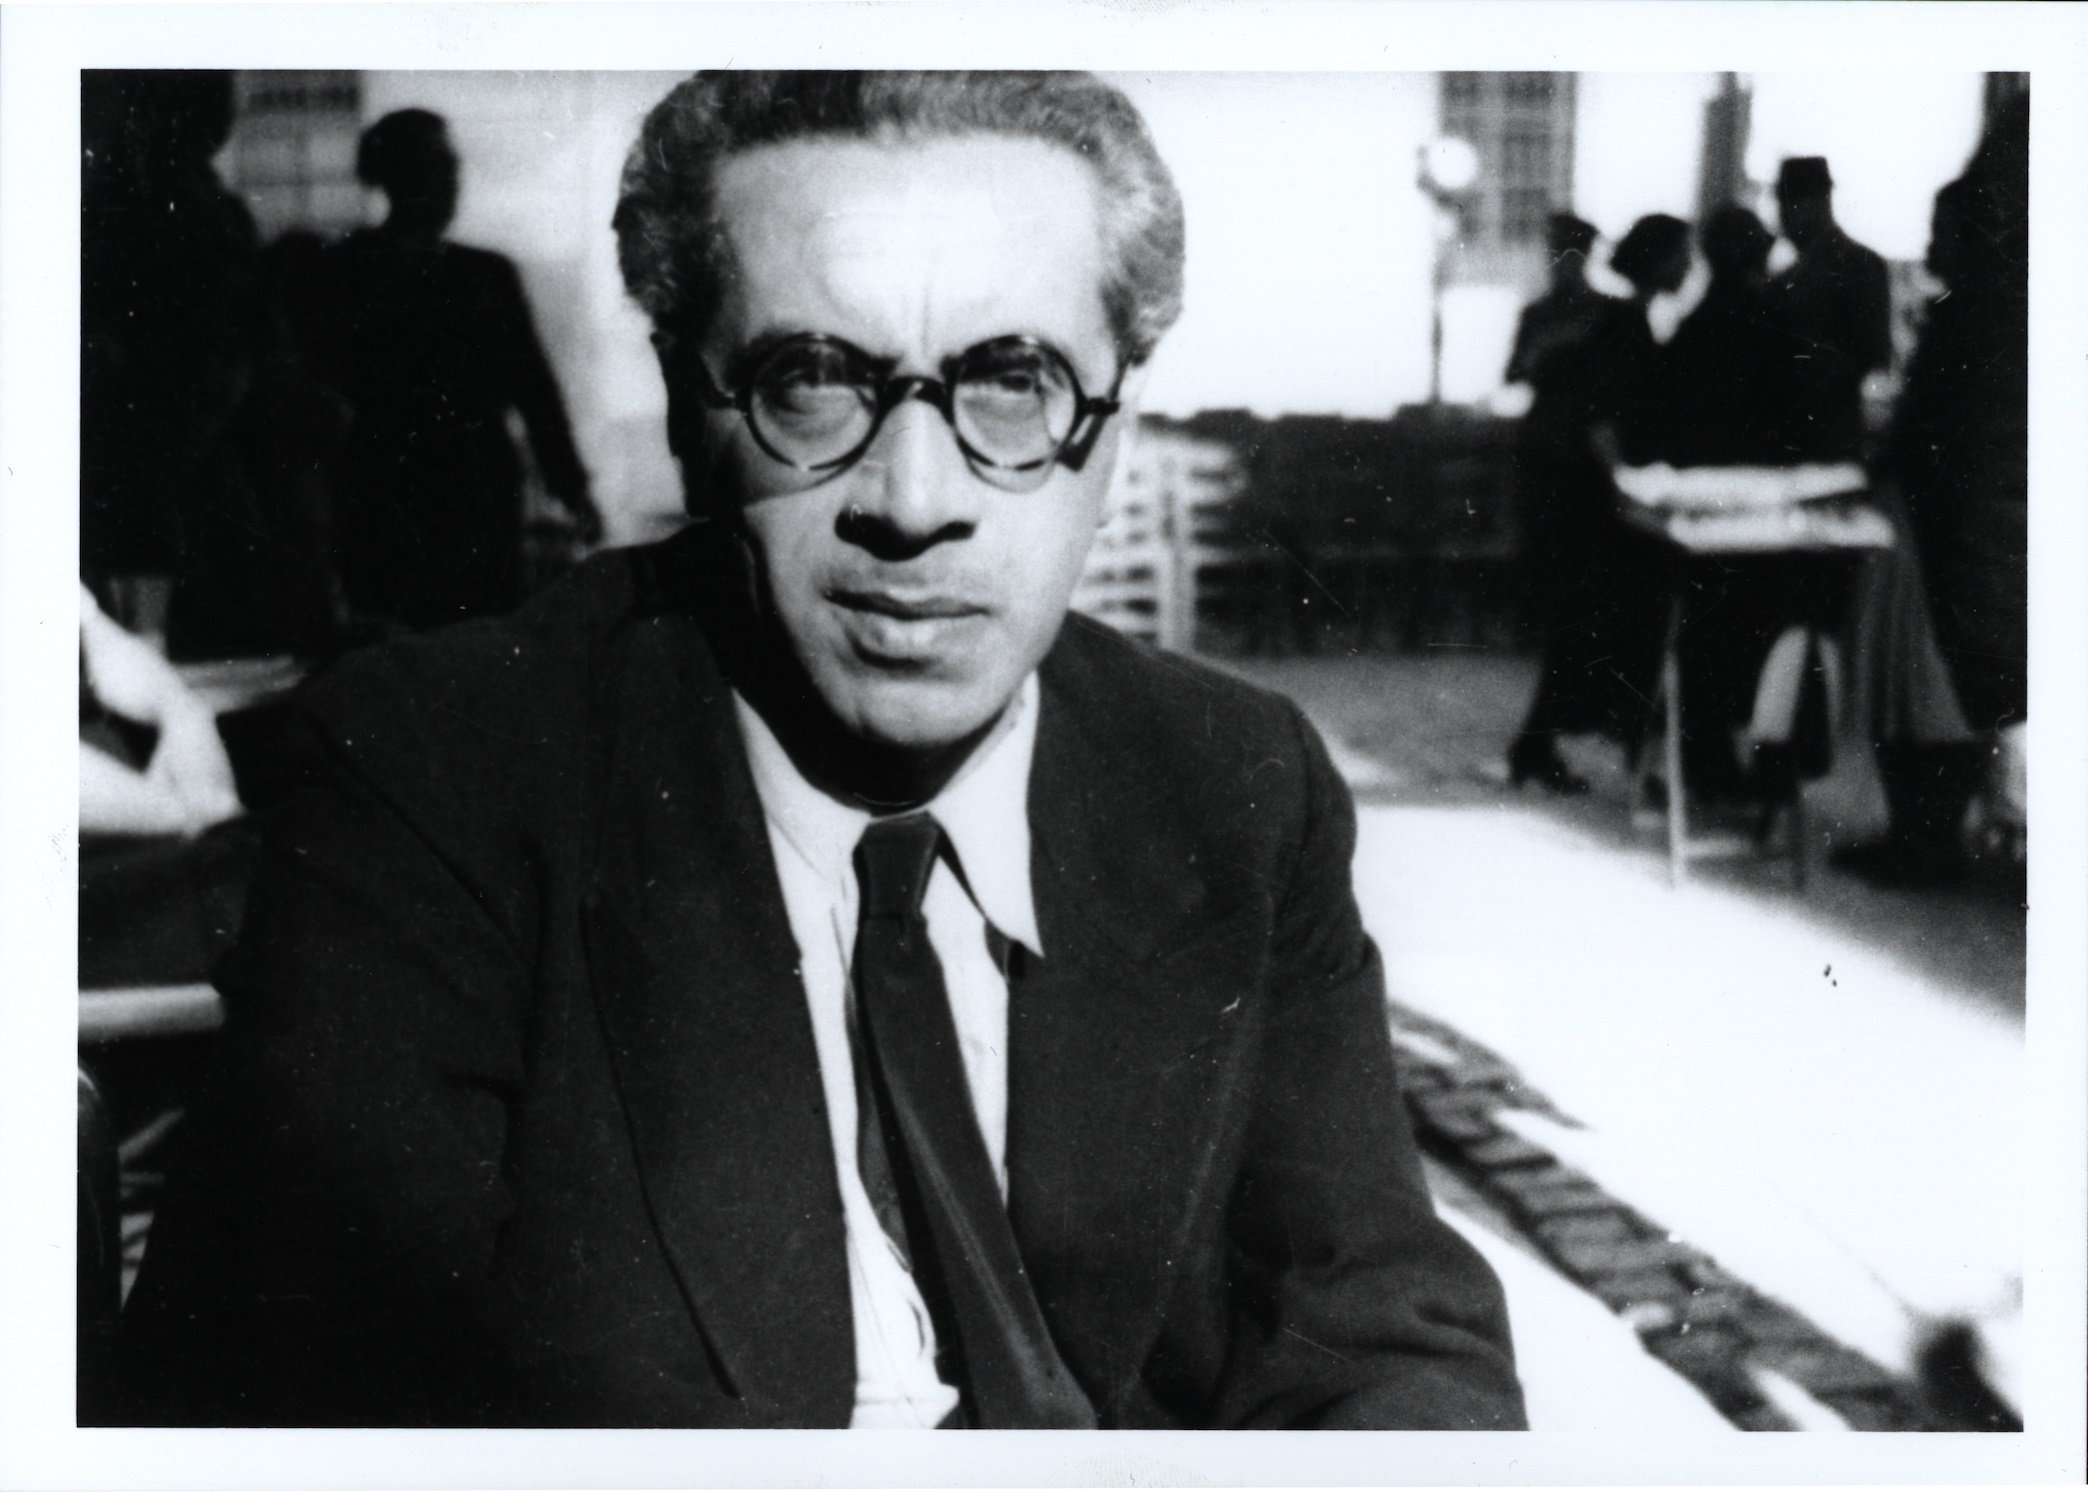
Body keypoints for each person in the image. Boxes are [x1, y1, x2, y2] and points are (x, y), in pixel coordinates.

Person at [117, 71, 1525, 1431]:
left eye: (1014, 382)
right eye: (810, 380)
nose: (912, 502)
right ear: (688, 409)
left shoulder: (1234, 779)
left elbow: (1379, 1330)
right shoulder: (435, 778)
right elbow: (277, 1412)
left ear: (1118, 427)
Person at [1835, 99, 2028, 886]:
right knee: (1921, 700)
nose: (1931, 245)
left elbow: (1953, 440)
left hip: (1946, 541)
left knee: (1926, 700)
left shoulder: (1981, 314)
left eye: (1944, 229)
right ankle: (1927, 836)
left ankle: (1929, 842)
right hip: (1941, 536)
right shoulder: (1982, 309)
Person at [314, 109, 601, 629]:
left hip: (460, 502)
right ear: (394, 175)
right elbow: (533, 390)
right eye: (433, 165)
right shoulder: (350, 273)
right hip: (405, 500)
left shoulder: (355, 271)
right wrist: (570, 486)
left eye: (449, 166)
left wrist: (571, 485)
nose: (450, 180)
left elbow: (535, 389)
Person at [1505, 213, 1687, 795]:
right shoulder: (1624, 324)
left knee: (1587, 623)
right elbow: (1601, 416)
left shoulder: (1619, 317)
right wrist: (1622, 484)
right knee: (1591, 622)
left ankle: (1555, 744)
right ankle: (1575, 747)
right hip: (1588, 492)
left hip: (1582, 487)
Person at [1765, 156, 1892, 465]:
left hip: (1822, 438)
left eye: (1787, 204)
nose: (1781, 217)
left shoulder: (1850, 266)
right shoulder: (1860, 262)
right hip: (1827, 436)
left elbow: (1869, 352)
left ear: (1815, 202)